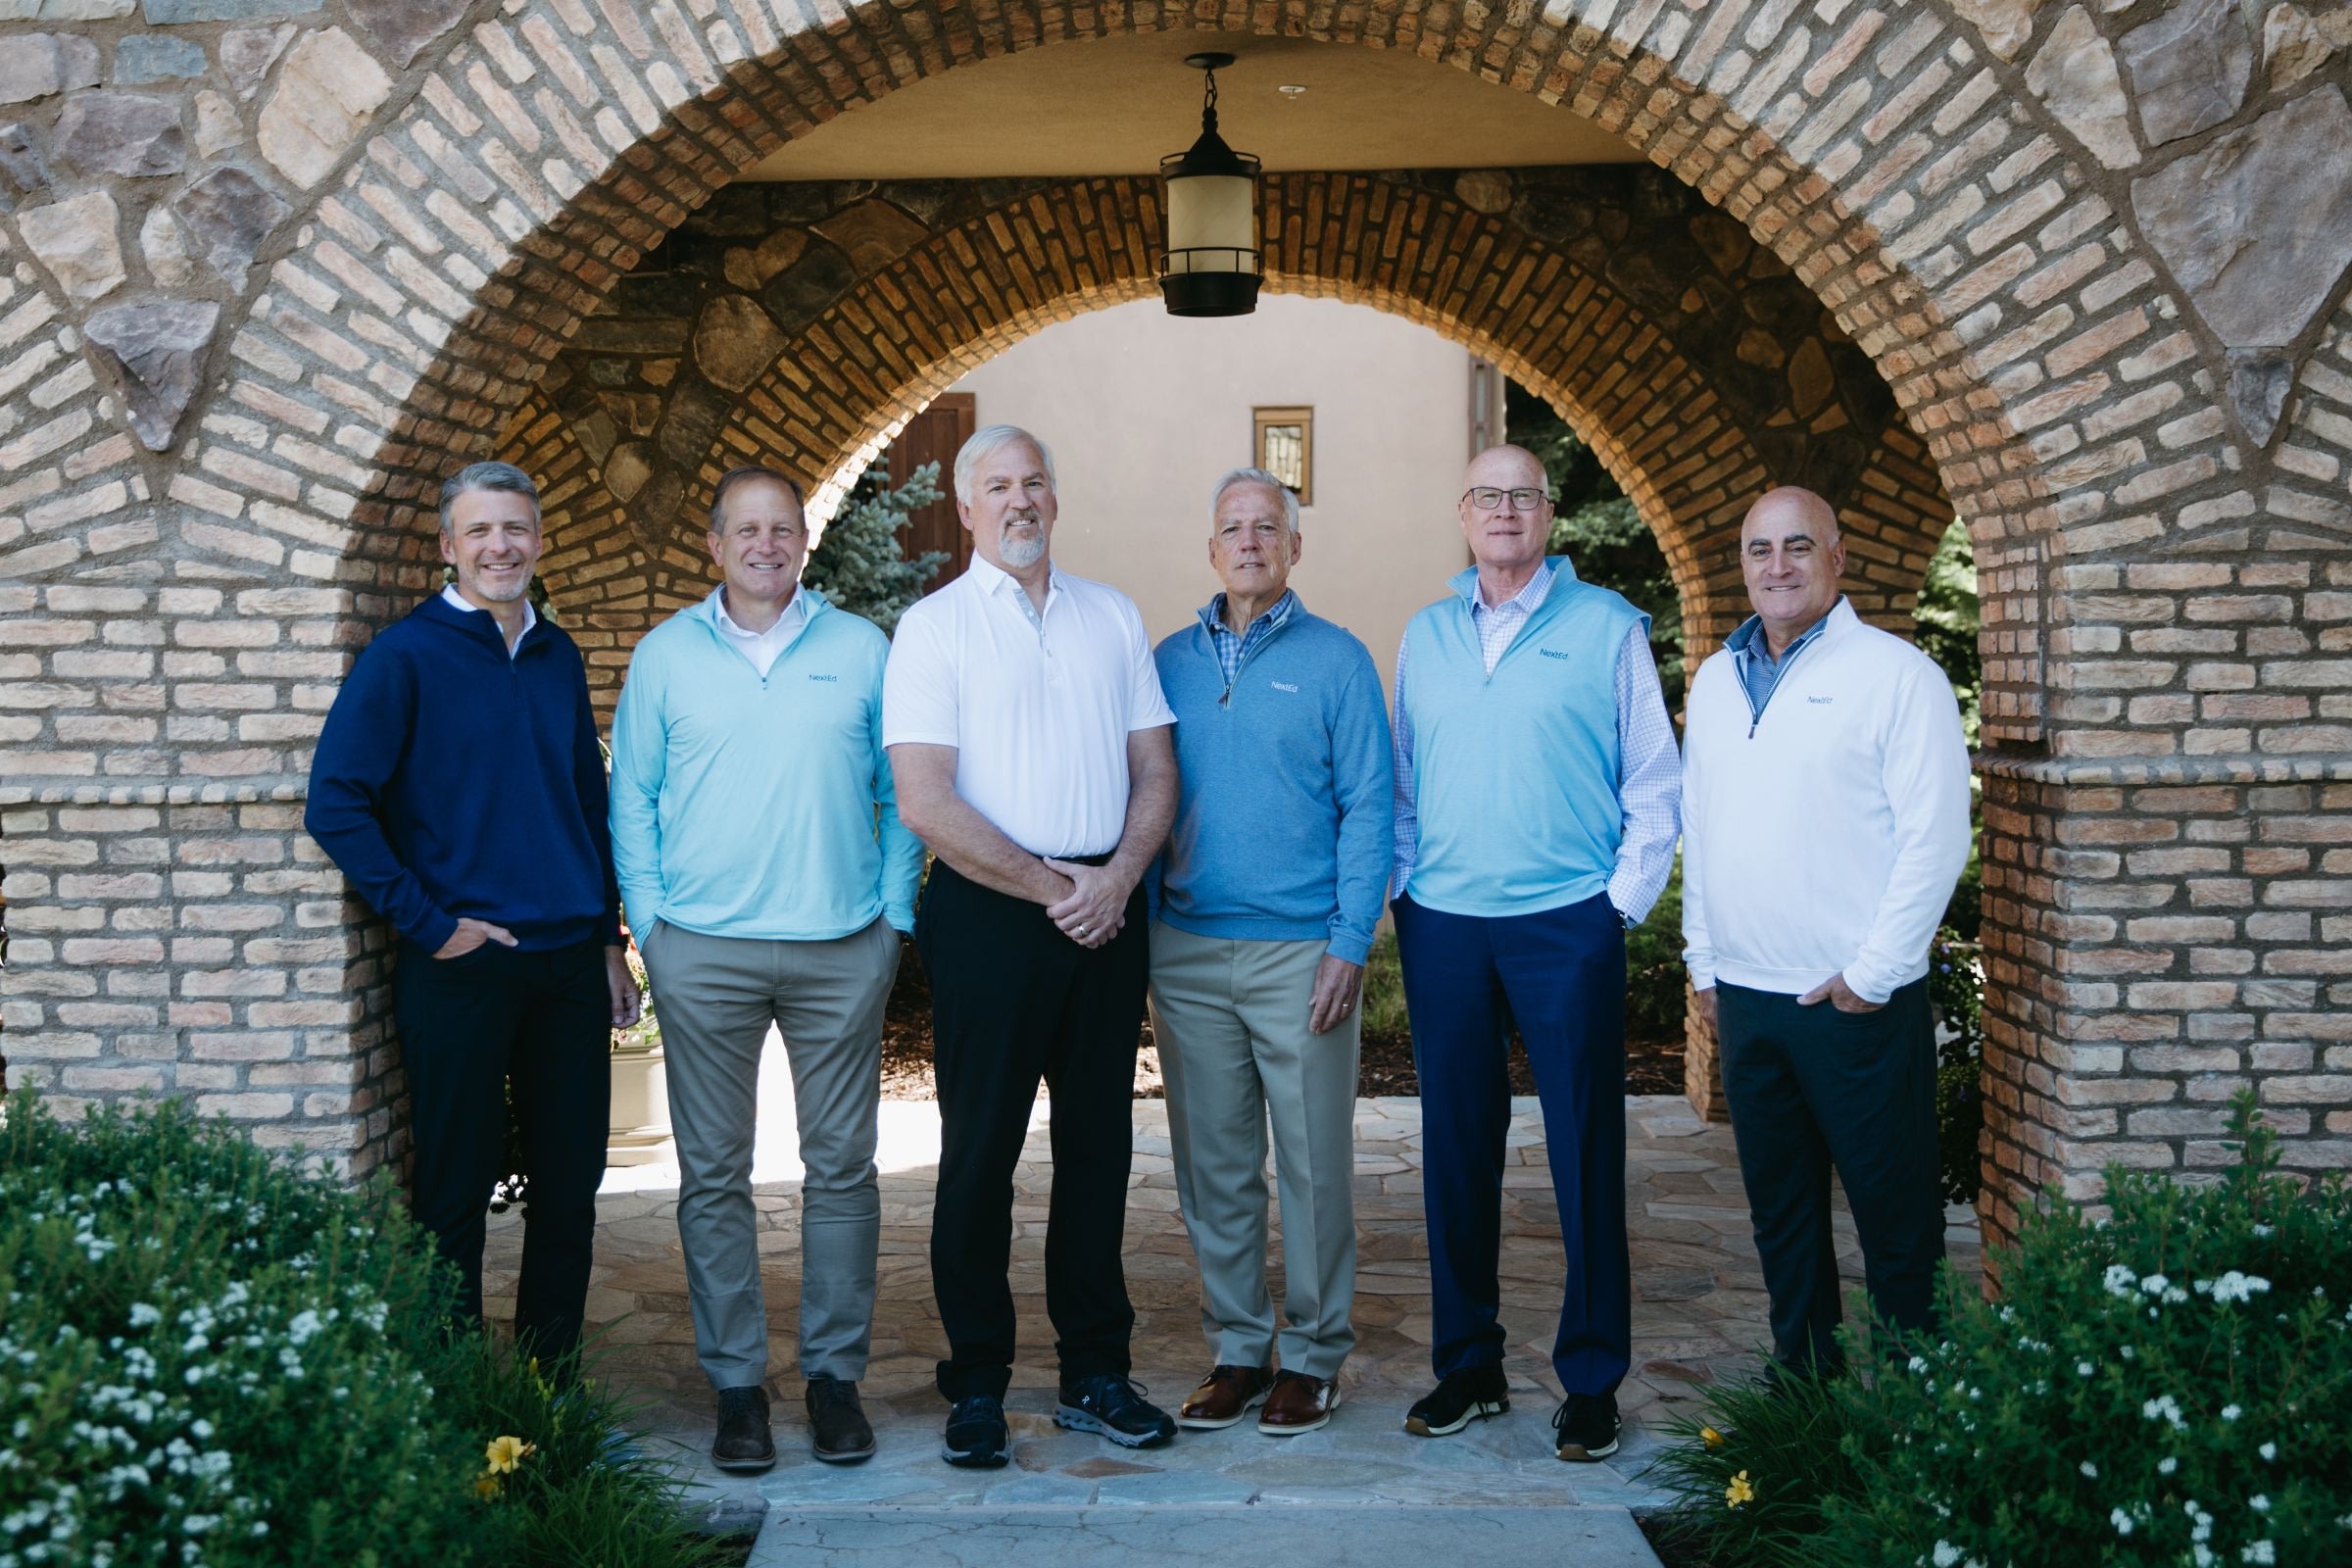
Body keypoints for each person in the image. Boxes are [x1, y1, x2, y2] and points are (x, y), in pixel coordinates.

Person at [609, 466, 920, 1472]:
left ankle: (834, 1379)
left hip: (841, 945)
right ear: (715, 545)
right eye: (746, 530)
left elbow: (901, 792)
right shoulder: (665, 655)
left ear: (804, 541)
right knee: (712, 1175)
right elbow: (632, 797)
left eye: (782, 528)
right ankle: (737, 1387)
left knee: (843, 1170)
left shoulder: (861, 649)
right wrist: (651, 925)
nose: (765, 544)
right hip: (702, 950)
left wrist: (894, 917)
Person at [883, 425, 1182, 1468]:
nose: (1020, 500)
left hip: (1106, 911)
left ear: (1056, 499)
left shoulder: (1113, 615)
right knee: (979, 1157)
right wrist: (1060, 888)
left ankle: (1096, 1372)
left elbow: (1156, 770)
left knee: (1099, 1152)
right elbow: (924, 801)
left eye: (1035, 482)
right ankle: (977, 1383)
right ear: (967, 508)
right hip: (993, 916)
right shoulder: (932, 628)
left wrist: (1118, 877)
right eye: (998, 485)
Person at [306, 461, 636, 1371]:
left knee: (569, 1188)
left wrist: (608, 940)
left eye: (516, 528)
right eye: (480, 531)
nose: (501, 546)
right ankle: (453, 1396)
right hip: (461, 964)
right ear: (448, 547)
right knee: (453, 1189)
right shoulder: (406, 656)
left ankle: (547, 1389)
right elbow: (335, 803)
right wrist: (431, 923)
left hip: (568, 963)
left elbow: (586, 804)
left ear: (539, 540)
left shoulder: (557, 654)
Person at [1390, 443, 1680, 1462]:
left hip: (1567, 922)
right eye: (1487, 496)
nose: (1505, 510)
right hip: (1445, 923)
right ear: (1464, 513)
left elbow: (1655, 780)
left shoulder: (1608, 626)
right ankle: (1468, 1365)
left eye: (1523, 495)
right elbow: (1405, 781)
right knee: (1454, 1150)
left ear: (1549, 514)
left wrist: (1616, 909)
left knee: (1585, 1148)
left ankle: (1592, 1379)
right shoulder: (1425, 634)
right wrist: (1405, 889)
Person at [1683, 485, 1971, 1378]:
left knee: (1896, 1219)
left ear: (1837, 558)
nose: (1778, 567)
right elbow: (1702, 824)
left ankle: (1917, 1408)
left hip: (1853, 1004)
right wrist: (1705, 965)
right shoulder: (1716, 681)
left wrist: (1873, 975)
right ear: (1743, 566)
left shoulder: (1897, 676)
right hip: (1749, 1000)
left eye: (1798, 546)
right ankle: (1804, 1393)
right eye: (1760, 550)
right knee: (1784, 1216)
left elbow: (1936, 837)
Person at [1149, 467, 1393, 1437]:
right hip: (1189, 950)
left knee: (1314, 1165)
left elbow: (1371, 807)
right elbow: (1140, 794)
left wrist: (1349, 942)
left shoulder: (1338, 661)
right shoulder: (1166, 662)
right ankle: (1240, 1349)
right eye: (1232, 528)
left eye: (1266, 527)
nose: (1249, 542)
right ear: (1211, 550)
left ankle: (1317, 1355)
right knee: (1213, 1166)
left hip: (1302, 953)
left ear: (1294, 546)